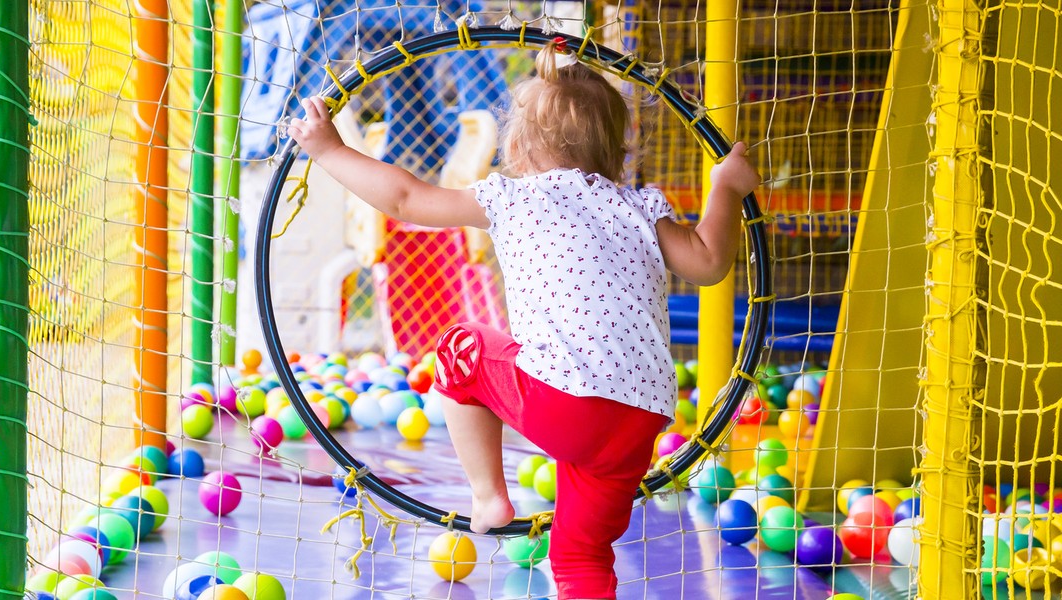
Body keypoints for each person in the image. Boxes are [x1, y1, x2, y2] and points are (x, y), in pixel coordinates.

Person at [289, 40, 760, 600]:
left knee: (458, 347)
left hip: (564, 401)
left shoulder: (512, 198)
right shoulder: (640, 206)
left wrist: (328, 150)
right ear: (616, 151)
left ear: (517, 145)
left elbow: (404, 199)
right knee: (581, 556)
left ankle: (489, 493)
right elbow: (710, 262)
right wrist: (726, 187)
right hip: (639, 420)